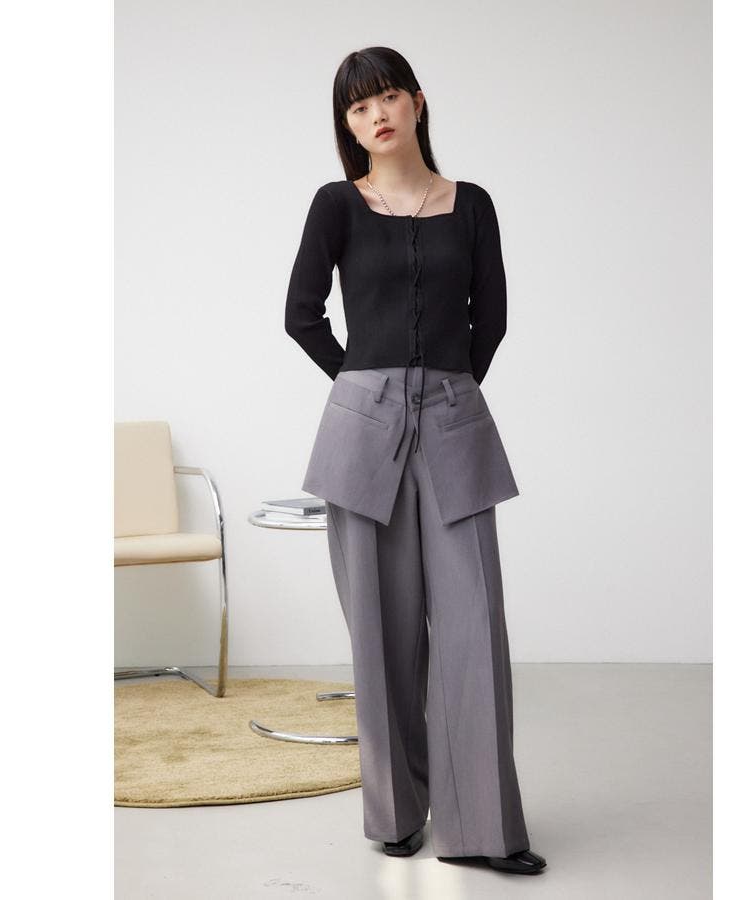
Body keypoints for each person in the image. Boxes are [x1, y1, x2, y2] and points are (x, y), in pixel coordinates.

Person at [284, 46, 547, 877]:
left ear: (418, 102)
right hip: (362, 431)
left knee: (474, 626)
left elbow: (490, 320)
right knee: (381, 630)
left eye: (388, 97)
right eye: (358, 107)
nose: (376, 116)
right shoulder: (336, 204)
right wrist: (367, 387)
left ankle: (485, 830)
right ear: (348, 124)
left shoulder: (472, 205)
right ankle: (396, 815)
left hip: (454, 420)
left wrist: (442, 392)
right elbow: (301, 315)